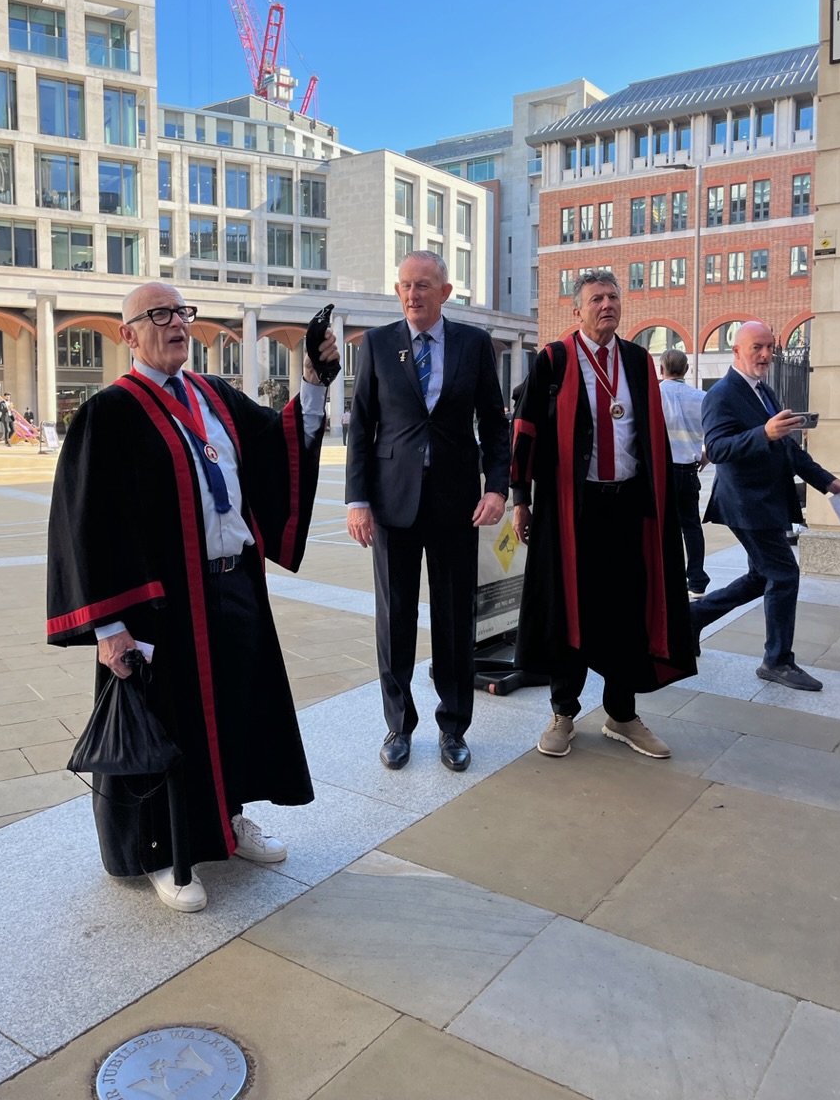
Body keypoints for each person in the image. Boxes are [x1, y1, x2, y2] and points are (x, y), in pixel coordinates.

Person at [47, 282, 338, 912]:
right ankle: (163, 854)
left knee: (236, 708)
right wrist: (109, 630)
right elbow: (86, 525)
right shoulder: (110, 413)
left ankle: (228, 821)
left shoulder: (213, 396)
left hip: (234, 584)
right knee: (166, 726)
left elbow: (279, 448)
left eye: (181, 312)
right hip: (162, 605)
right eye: (158, 314)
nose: (176, 322)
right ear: (128, 334)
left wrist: (314, 378)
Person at [511, 269, 696, 761]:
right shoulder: (555, 359)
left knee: (626, 609)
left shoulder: (637, 360)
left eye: (613, 297)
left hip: (629, 506)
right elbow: (525, 429)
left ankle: (621, 713)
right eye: (596, 298)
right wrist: (520, 498)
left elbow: (650, 435)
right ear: (578, 309)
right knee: (569, 607)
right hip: (572, 508)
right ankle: (563, 712)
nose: (607, 305)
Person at [345, 250, 509, 773]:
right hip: (392, 503)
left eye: (423, 285)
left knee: (455, 618)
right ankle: (399, 725)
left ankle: (454, 726)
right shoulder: (377, 344)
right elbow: (362, 426)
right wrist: (357, 501)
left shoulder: (473, 344)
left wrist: (497, 488)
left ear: (445, 291)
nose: (413, 294)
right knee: (395, 618)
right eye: (405, 285)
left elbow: (495, 423)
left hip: (457, 503)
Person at [690, 321, 840, 692]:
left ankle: (691, 618)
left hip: (767, 501)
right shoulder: (721, 394)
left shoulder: (764, 390)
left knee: (761, 577)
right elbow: (718, 449)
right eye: (757, 347)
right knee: (785, 575)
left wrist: (828, 482)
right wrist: (764, 432)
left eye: (770, 347)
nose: (765, 354)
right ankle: (777, 661)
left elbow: (788, 448)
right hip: (746, 503)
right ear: (737, 350)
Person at [659, 350, 710, 597]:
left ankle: (667, 577)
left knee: (663, 527)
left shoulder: (654, 394)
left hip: (663, 470)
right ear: (687, 369)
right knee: (692, 527)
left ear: (661, 369)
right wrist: (706, 454)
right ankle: (697, 580)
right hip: (689, 469)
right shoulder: (702, 397)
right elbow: (716, 430)